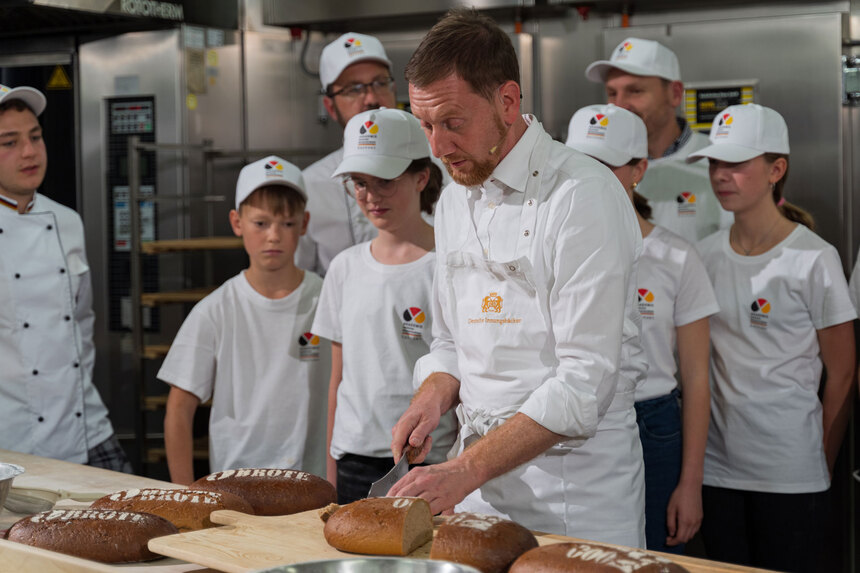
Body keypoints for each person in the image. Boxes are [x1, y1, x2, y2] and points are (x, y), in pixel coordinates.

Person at [387, 9, 648, 547]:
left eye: (452, 122)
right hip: (475, 495)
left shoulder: (581, 195)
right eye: (425, 125)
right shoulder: (457, 196)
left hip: (575, 500)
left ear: (508, 101)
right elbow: (451, 340)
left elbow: (583, 385)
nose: (437, 147)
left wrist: (464, 470)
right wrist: (433, 394)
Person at [691, 104, 856, 572]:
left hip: (790, 475)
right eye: (715, 163)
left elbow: (842, 372)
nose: (721, 175)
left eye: (736, 164)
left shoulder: (812, 258)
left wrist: (816, 460)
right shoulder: (702, 256)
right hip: (718, 471)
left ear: (775, 170)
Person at [565, 103, 717, 553]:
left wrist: (690, 483)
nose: (590, 177)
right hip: (576, 422)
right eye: (581, 164)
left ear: (639, 170)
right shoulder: (554, 252)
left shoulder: (676, 257)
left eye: (606, 166)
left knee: (655, 555)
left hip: (654, 424)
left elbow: (695, 378)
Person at [311, 107, 456, 504]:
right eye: (359, 183)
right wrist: (330, 464)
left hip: (426, 456)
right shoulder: (344, 268)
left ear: (421, 176)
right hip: (354, 456)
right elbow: (337, 379)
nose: (371, 196)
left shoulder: (448, 262)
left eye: (385, 182)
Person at [160, 155, 330, 484]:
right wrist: (185, 496)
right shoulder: (216, 309)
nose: (274, 236)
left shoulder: (327, 299)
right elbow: (178, 410)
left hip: (315, 487)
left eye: (287, 223)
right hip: (235, 487)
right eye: (261, 223)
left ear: (305, 224)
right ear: (237, 222)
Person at [0, 83, 130, 472]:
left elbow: (81, 321)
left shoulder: (67, 221)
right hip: (12, 438)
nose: (29, 152)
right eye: (9, 142)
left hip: (85, 424)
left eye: (35, 137)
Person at [585, 37, 731, 243]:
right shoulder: (593, 167)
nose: (619, 106)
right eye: (612, 93)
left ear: (675, 94)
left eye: (635, 91)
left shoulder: (717, 163)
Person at [296, 32, 397, 276]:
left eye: (380, 83)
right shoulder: (310, 186)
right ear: (330, 107)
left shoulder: (438, 167)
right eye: (354, 89)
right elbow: (301, 278)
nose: (372, 98)